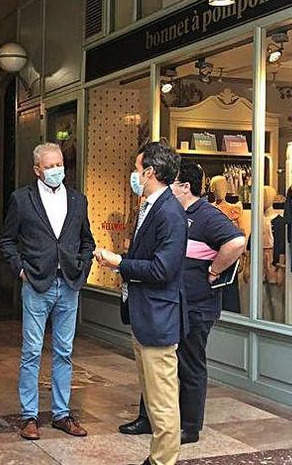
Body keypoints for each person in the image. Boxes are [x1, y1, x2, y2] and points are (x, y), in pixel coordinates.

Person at [118, 162, 246, 445]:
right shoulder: (167, 213)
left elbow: (237, 241)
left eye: (170, 183)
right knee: (157, 362)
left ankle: (189, 425)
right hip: (170, 302)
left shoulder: (206, 215)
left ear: (185, 187)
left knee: (190, 363)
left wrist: (214, 271)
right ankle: (148, 418)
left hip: (197, 304)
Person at [95, 141, 189, 465]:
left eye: (136, 168)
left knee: (162, 402)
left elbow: (163, 268)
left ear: (149, 172)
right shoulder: (149, 205)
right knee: (152, 397)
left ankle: (163, 461)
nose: (133, 174)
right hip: (143, 315)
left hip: (159, 319)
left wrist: (118, 261)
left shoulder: (171, 213)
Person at [0, 142, 96, 441]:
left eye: (60, 164)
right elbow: (6, 240)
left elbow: (87, 241)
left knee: (65, 352)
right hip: (36, 285)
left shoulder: (78, 200)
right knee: (31, 352)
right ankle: (29, 416)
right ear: (37, 169)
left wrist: (82, 265)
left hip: (68, 284)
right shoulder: (21, 199)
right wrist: (20, 269)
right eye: (50, 166)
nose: (56, 170)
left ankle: (61, 414)